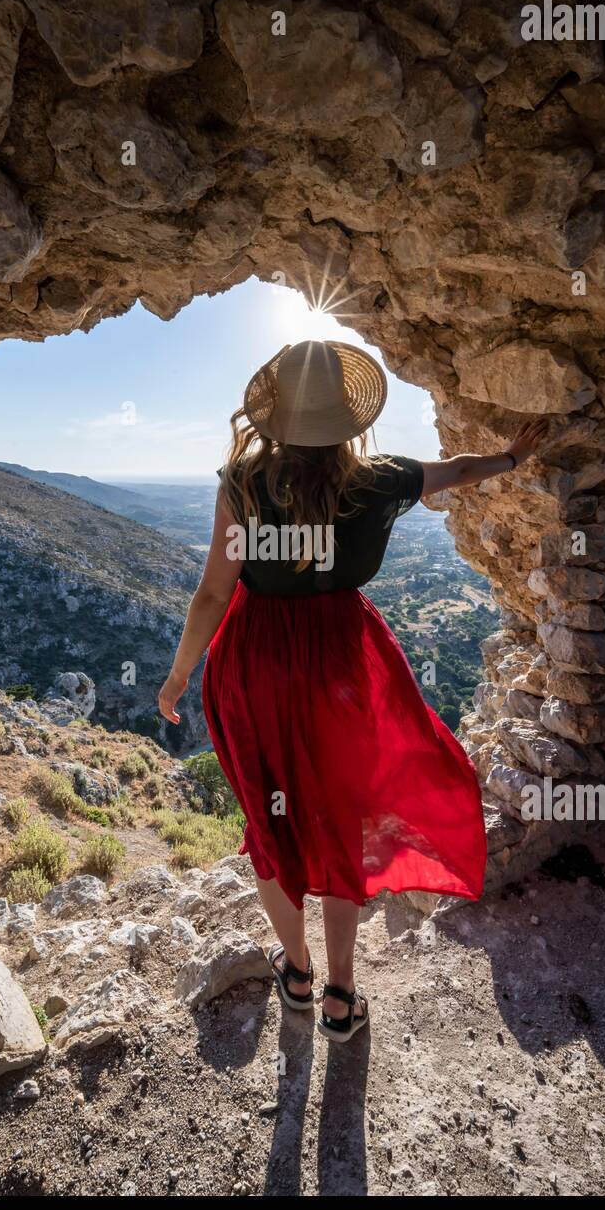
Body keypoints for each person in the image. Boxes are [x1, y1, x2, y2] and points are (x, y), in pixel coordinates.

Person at [159, 339, 548, 1043]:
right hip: (342, 660)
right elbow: (458, 470)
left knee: (270, 823)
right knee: (342, 819)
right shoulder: (380, 479)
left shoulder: (241, 483)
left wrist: (182, 671)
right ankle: (341, 995)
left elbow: (214, 592)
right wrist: (511, 458)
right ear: (346, 415)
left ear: (274, 410)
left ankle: (297, 976)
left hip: (256, 664)